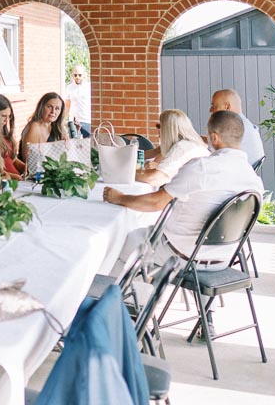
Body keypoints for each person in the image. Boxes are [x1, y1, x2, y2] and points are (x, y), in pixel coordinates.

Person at [104, 110, 265, 270]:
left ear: (214, 137)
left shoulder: (201, 168)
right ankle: (148, 287)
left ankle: (114, 295)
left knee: (116, 242)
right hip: (223, 259)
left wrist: (119, 198)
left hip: (180, 254)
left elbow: (156, 203)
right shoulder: (254, 181)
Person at [135, 109, 209, 186]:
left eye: (160, 127)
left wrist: (128, 174)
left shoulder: (181, 147)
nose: (158, 131)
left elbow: (153, 178)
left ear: (168, 129)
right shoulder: (188, 144)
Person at [211, 88, 265, 167]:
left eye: (214, 106)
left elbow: (210, 153)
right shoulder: (243, 125)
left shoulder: (229, 126)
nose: (211, 110)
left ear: (227, 107)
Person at [17, 92, 67, 168]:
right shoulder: (34, 127)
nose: (53, 112)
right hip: (34, 174)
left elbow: (67, 151)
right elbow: (28, 159)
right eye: (49, 107)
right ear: (41, 107)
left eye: (57, 108)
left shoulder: (59, 128)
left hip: (53, 172)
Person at [0, 94, 26, 177]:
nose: (6, 120)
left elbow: (12, 159)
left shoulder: (4, 135)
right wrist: (14, 177)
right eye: (3, 116)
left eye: (9, 116)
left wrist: (26, 167)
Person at [61, 64, 93, 138]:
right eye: (75, 75)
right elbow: (67, 105)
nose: (77, 77)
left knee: (87, 143)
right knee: (74, 143)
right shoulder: (69, 87)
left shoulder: (89, 87)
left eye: (79, 75)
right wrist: (63, 120)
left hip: (86, 120)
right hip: (73, 120)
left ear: (84, 75)